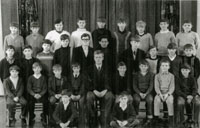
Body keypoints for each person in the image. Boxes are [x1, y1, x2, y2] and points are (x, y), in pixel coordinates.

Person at [86, 50, 114, 128]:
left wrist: (105, 90)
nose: (98, 59)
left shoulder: (108, 68)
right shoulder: (89, 69)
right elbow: (87, 82)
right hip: (93, 90)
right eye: (96, 57)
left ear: (103, 58)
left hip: (105, 90)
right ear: (94, 58)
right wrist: (94, 90)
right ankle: (93, 118)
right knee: (89, 96)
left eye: (100, 57)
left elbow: (110, 81)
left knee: (110, 96)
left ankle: (105, 118)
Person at [20, 45, 39, 123]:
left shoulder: (35, 60)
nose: (27, 52)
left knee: (31, 100)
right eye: (25, 51)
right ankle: (23, 115)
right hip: (23, 83)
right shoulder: (20, 61)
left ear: (32, 51)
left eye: (29, 50)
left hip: (33, 84)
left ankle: (31, 115)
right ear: (23, 52)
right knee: (24, 100)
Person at [154, 59, 175, 127]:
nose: (164, 67)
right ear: (160, 67)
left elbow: (172, 87)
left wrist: (167, 94)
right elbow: (156, 87)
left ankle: (170, 119)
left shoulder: (172, 76)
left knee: (170, 101)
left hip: (168, 93)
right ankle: (156, 118)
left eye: (166, 65)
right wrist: (160, 94)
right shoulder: (157, 76)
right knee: (156, 100)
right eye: (163, 65)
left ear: (169, 67)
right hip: (159, 93)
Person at [132, 60, 154, 125]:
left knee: (150, 99)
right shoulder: (136, 74)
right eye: (142, 66)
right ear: (139, 66)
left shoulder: (151, 74)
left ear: (147, 67)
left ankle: (148, 117)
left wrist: (146, 93)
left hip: (147, 92)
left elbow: (151, 86)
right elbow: (134, 86)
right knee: (136, 99)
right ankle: (135, 116)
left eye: (145, 66)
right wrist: (139, 93)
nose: (143, 67)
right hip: (138, 92)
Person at [69, 63, 87, 127]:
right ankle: (72, 121)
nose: (76, 70)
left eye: (77, 68)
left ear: (80, 69)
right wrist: (71, 95)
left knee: (81, 102)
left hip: (81, 94)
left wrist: (79, 94)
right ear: (72, 69)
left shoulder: (83, 76)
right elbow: (69, 87)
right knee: (68, 102)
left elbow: (83, 86)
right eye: (74, 68)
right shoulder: (70, 77)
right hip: (72, 94)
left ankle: (81, 124)